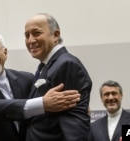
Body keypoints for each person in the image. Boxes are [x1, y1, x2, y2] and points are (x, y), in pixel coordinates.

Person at [0, 32, 81, 141]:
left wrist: (75, 106)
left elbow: (54, 105)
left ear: (5, 52)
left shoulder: (26, 79)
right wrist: (43, 103)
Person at [24, 13, 92, 141]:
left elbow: (73, 124)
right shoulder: (46, 66)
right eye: (27, 35)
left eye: (36, 33)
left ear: (56, 35)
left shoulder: (66, 64)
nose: (30, 40)